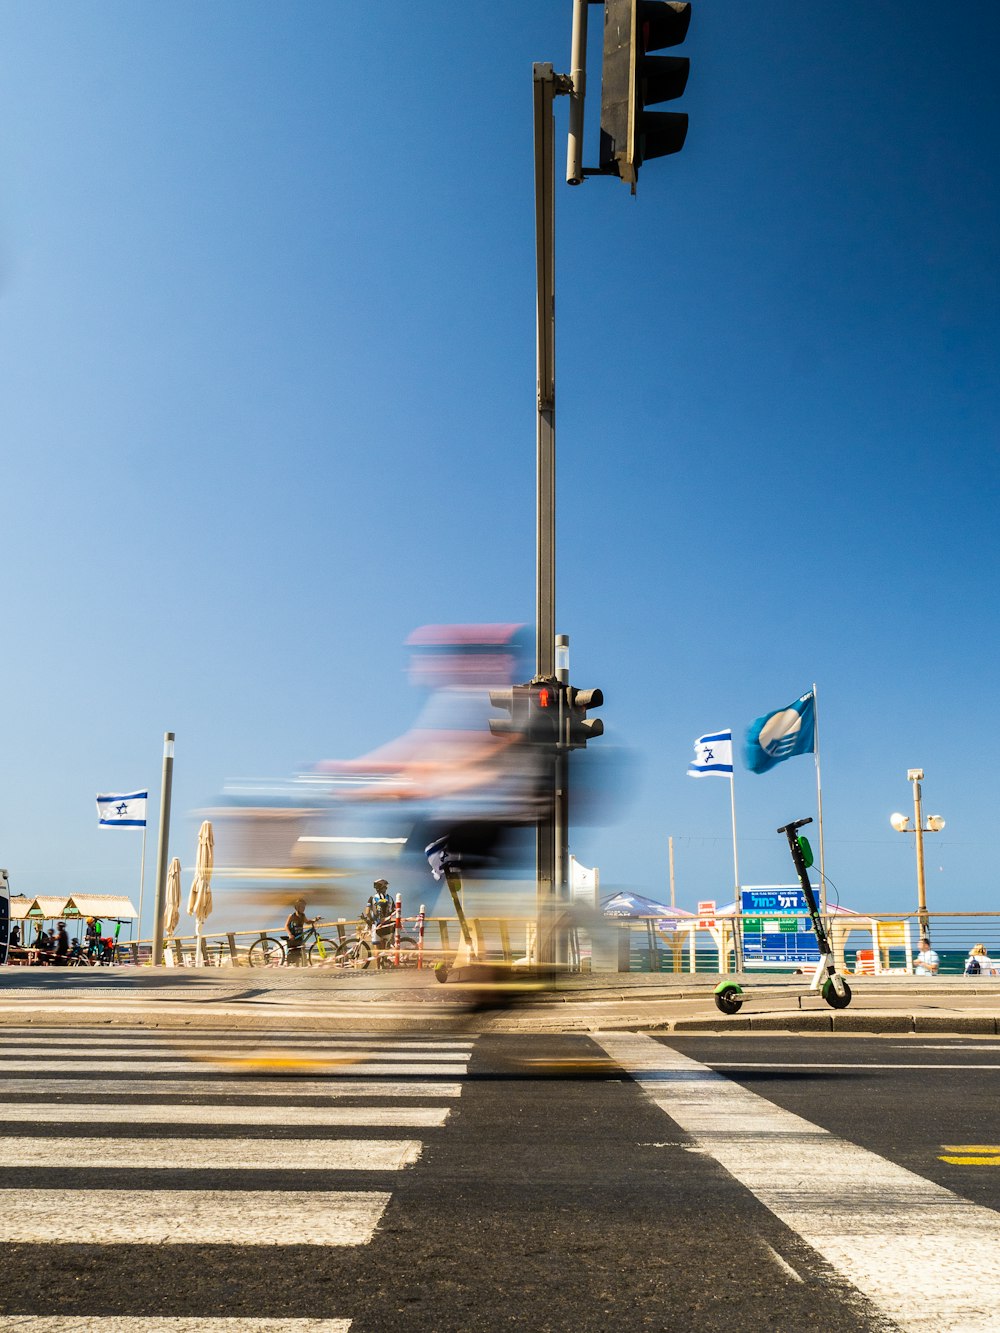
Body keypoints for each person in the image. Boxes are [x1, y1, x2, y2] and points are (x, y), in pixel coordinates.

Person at [361, 879, 395, 960]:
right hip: (387, 925)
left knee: (377, 949)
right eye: (385, 886)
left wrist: (371, 920)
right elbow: (395, 911)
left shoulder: (372, 898)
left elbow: (367, 912)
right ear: (384, 887)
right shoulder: (390, 898)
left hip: (376, 925)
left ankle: (378, 967)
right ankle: (385, 963)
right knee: (384, 947)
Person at [284, 898, 316, 966]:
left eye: (304, 907)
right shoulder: (292, 916)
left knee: (300, 952)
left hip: (300, 936)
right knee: (292, 954)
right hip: (293, 937)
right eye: (302, 907)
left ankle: (303, 966)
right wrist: (290, 934)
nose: (304, 908)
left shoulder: (303, 915)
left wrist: (315, 920)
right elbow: (286, 926)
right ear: (297, 907)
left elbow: (307, 922)